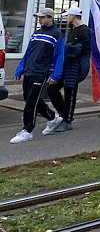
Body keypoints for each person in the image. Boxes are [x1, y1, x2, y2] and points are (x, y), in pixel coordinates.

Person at [10, 8, 65, 144]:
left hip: (41, 72)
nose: (39, 20)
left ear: (49, 18)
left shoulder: (56, 34)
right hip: (30, 70)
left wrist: (56, 75)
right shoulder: (37, 33)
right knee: (28, 98)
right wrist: (20, 69)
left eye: (42, 17)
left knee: (31, 102)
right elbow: (29, 52)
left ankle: (27, 131)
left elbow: (59, 56)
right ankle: (52, 118)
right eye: (38, 17)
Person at [45, 6, 91, 133]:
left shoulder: (84, 30)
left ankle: (67, 120)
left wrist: (72, 50)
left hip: (76, 66)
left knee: (70, 93)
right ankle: (63, 113)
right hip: (67, 64)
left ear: (74, 16)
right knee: (52, 89)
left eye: (68, 15)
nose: (66, 18)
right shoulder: (73, 29)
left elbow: (86, 49)